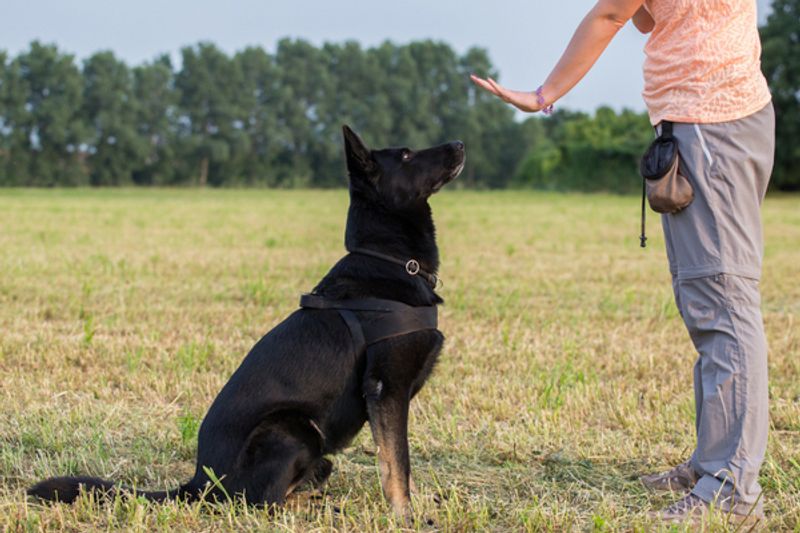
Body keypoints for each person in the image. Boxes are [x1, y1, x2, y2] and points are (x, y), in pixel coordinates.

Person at [471, 0, 774, 526]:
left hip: (711, 126)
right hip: (715, 120)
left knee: (723, 307)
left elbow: (612, 15)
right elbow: (647, 16)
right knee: (708, 304)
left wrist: (543, 95)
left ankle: (731, 487)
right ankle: (713, 463)